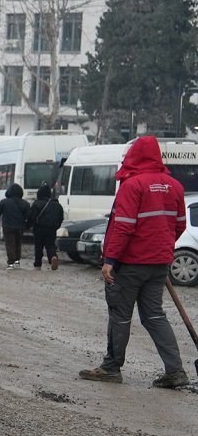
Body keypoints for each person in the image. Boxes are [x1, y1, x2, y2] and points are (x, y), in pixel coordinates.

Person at [79, 135, 190, 388]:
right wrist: (159, 249)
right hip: (159, 264)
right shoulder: (174, 186)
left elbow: (124, 227)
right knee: (154, 316)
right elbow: (179, 226)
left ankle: (111, 368)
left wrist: (110, 260)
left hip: (129, 264)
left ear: (134, 156)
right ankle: (175, 371)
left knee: (120, 314)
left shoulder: (132, 185)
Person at [27, 184, 65, 270]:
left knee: (38, 247)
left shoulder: (36, 204)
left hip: (38, 229)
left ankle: (38, 265)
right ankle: (53, 257)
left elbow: (32, 217)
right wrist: (56, 227)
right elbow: (61, 218)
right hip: (52, 229)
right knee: (50, 245)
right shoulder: (57, 205)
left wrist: (27, 226)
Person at [0, 183, 29, 270]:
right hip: (20, 227)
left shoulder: (4, 202)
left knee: (10, 244)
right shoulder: (25, 203)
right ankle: (17, 260)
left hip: (8, 227)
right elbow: (27, 216)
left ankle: (11, 263)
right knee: (18, 243)